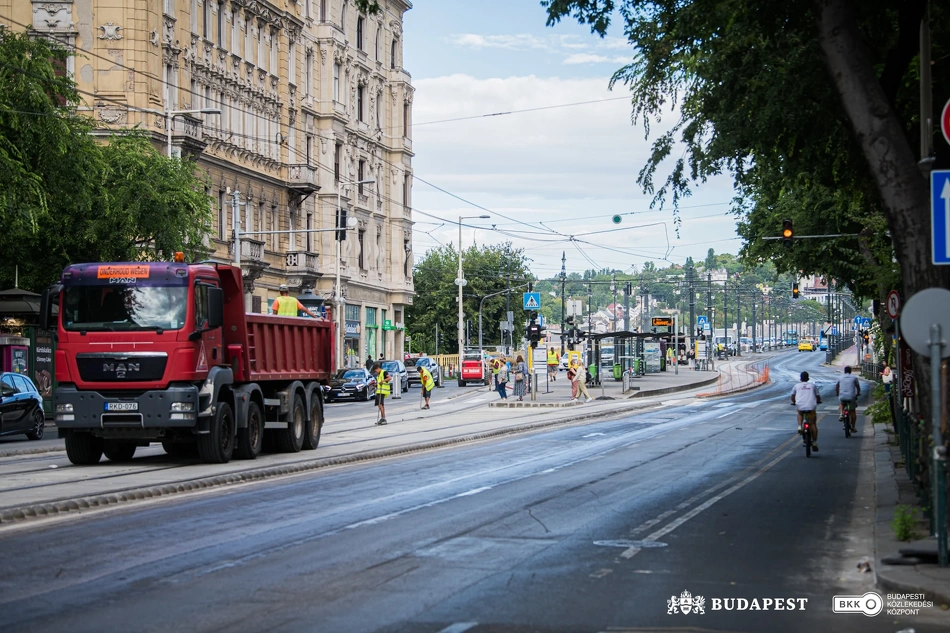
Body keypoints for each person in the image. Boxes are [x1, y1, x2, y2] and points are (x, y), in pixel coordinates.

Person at [791, 371, 821, 451]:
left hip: (800, 406)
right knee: (813, 424)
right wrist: (818, 401)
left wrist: (794, 402)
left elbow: (793, 395)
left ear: (800, 378)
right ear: (808, 378)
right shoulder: (813, 386)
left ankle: (800, 426)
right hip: (811, 407)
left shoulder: (796, 386)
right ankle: (814, 442)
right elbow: (817, 396)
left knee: (800, 413)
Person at [836, 366, 861, 432]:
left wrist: (837, 393)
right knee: (853, 411)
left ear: (844, 371)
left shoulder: (840, 377)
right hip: (851, 397)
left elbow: (837, 386)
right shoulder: (854, 378)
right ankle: (853, 427)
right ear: (850, 371)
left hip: (842, 396)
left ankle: (841, 414)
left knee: (841, 403)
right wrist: (857, 394)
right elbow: (858, 387)